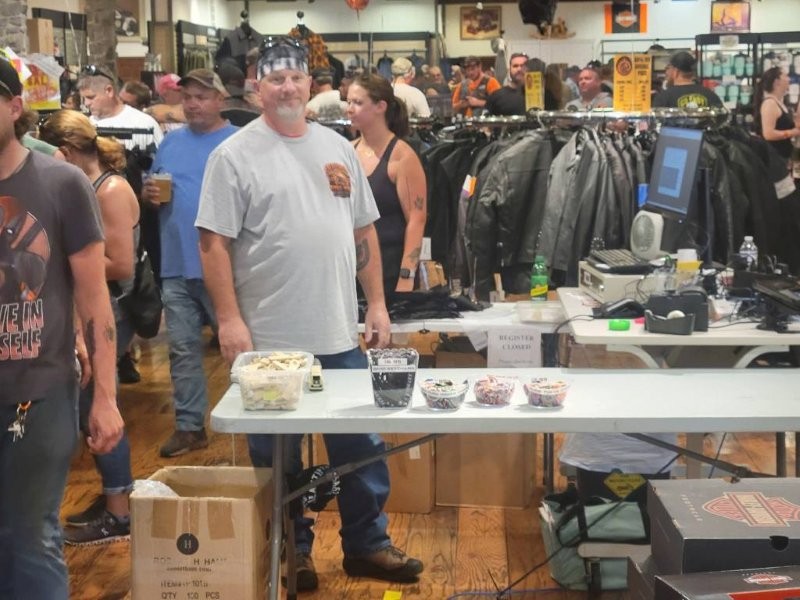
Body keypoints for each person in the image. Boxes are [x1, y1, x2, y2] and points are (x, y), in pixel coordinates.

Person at [195, 36, 423, 592]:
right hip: (269, 341)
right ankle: (290, 550)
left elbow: (362, 231)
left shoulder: (337, 147)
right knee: (278, 456)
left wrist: (376, 303)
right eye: (276, 78)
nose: (288, 87)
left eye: (296, 77)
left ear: (310, 83)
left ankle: (366, 545)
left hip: (338, 331)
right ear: (258, 86)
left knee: (360, 447)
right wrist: (229, 319)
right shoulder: (233, 156)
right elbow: (212, 243)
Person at [0, 57, 123, 599]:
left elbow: (95, 298)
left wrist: (106, 399)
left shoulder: (61, 182)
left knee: (29, 536)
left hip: (40, 391)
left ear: (15, 107)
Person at [38, 110, 140, 545]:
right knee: (88, 410)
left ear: (64, 151)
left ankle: (120, 511)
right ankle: (115, 497)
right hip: (89, 309)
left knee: (99, 408)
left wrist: (68, 257)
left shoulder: (109, 190)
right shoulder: (87, 186)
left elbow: (121, 264)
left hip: (110, 310)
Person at [140, 69, 238, 458]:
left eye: (202, 96)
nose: (193, 104)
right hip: (177, 264)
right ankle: (189, 426)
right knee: (181, 349)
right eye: (187, 97)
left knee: (240, 349)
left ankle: (258, 421)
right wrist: (148, 195)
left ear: (220, 99)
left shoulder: (239, 142)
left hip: (227, 267)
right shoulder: (170, 142)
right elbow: (154, 189)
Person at [78, 64, 163, 384]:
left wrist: (151, 194)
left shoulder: (143, 124)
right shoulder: (85, 126)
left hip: (136, 212)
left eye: (91, 97)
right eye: (83, 98)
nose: (87, 104)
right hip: (94, 214)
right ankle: (118, 353)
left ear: (109, 91)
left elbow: (158, 168)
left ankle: (122, 348)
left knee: (130, 278)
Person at [347, 74, 427, 301]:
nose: (349, 109)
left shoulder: (402, 156)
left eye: (358, 102)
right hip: (352, 270)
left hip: (390, 272)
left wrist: (406, 276)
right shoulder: (347, 151)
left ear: (380, 106)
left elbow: (417, 220)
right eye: (348, 102)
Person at [754, 66, 800, 167]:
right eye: (785, 76)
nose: (789, 79)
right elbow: (768, 134)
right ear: (777, 81)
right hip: (773, 159)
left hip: (782, 157)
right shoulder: (770, 104)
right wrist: (793, 132)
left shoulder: (780, 103)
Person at [653, 51, 723, 109]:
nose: (666, 72)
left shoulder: (663, 97)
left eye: (668, 68)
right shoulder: (710, 94)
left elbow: (656, 119)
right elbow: (721, 117)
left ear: (675, 72)